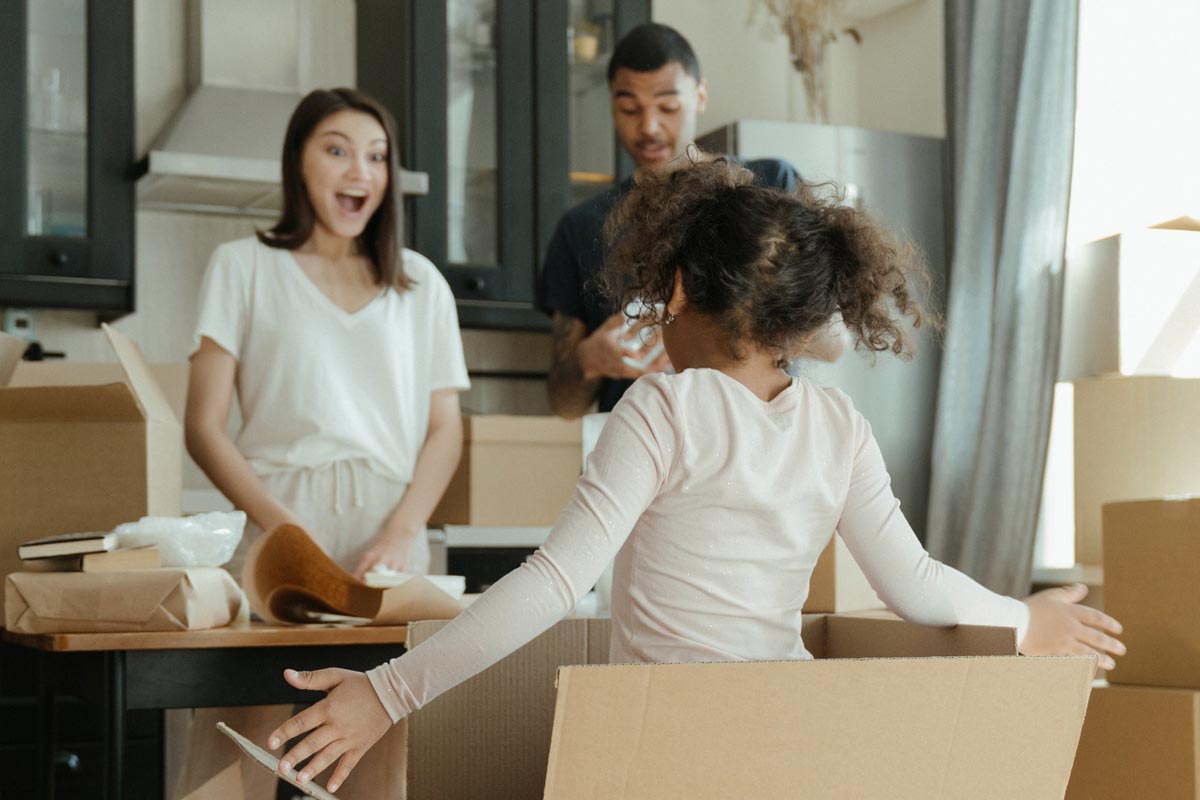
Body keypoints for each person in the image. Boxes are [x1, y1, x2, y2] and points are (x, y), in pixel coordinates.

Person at [262, 156, 1125, 795]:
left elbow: (554, 584)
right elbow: (919, 586)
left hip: (663, 753)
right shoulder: (838, 425)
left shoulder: (661, 411)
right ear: (794, 322)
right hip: (793, 751)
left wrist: (386, 694)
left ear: (676, 289)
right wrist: (1026, 618)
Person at [177, 88, 469, 799]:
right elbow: (203, 424)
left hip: (387, 544)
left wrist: (405, 528)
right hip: (279, 523)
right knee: (236, 756)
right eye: (336, 150)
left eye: (376, 157)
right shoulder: (242, 266)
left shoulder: (421, 284)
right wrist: (282, 529)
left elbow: (445, 429)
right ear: (299, 164)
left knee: (377, 768)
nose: (359, 172)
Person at [539, 22, 812, 419]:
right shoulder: (581, 227)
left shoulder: (770, 186)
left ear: (700, 96)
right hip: (642, 462)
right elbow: (563, 405)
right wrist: (590, 358)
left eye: (668, 107)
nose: (648, 126)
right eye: (629, 108)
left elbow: (833, 340)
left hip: (764, 449)